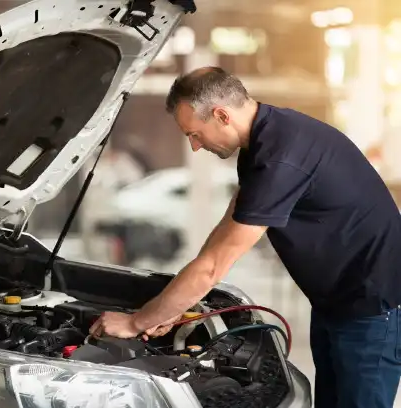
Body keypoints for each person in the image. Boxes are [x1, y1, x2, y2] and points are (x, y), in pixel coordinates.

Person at [88, 66, 401, 408]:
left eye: (194, 134)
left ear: (221, 115)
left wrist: (137, 322)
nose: (194, 147)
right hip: (336, 302)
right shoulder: (265, 139)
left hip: (372, 308)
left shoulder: (281, 158)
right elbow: (229, 228)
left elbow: (213, 267)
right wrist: (169, 307)